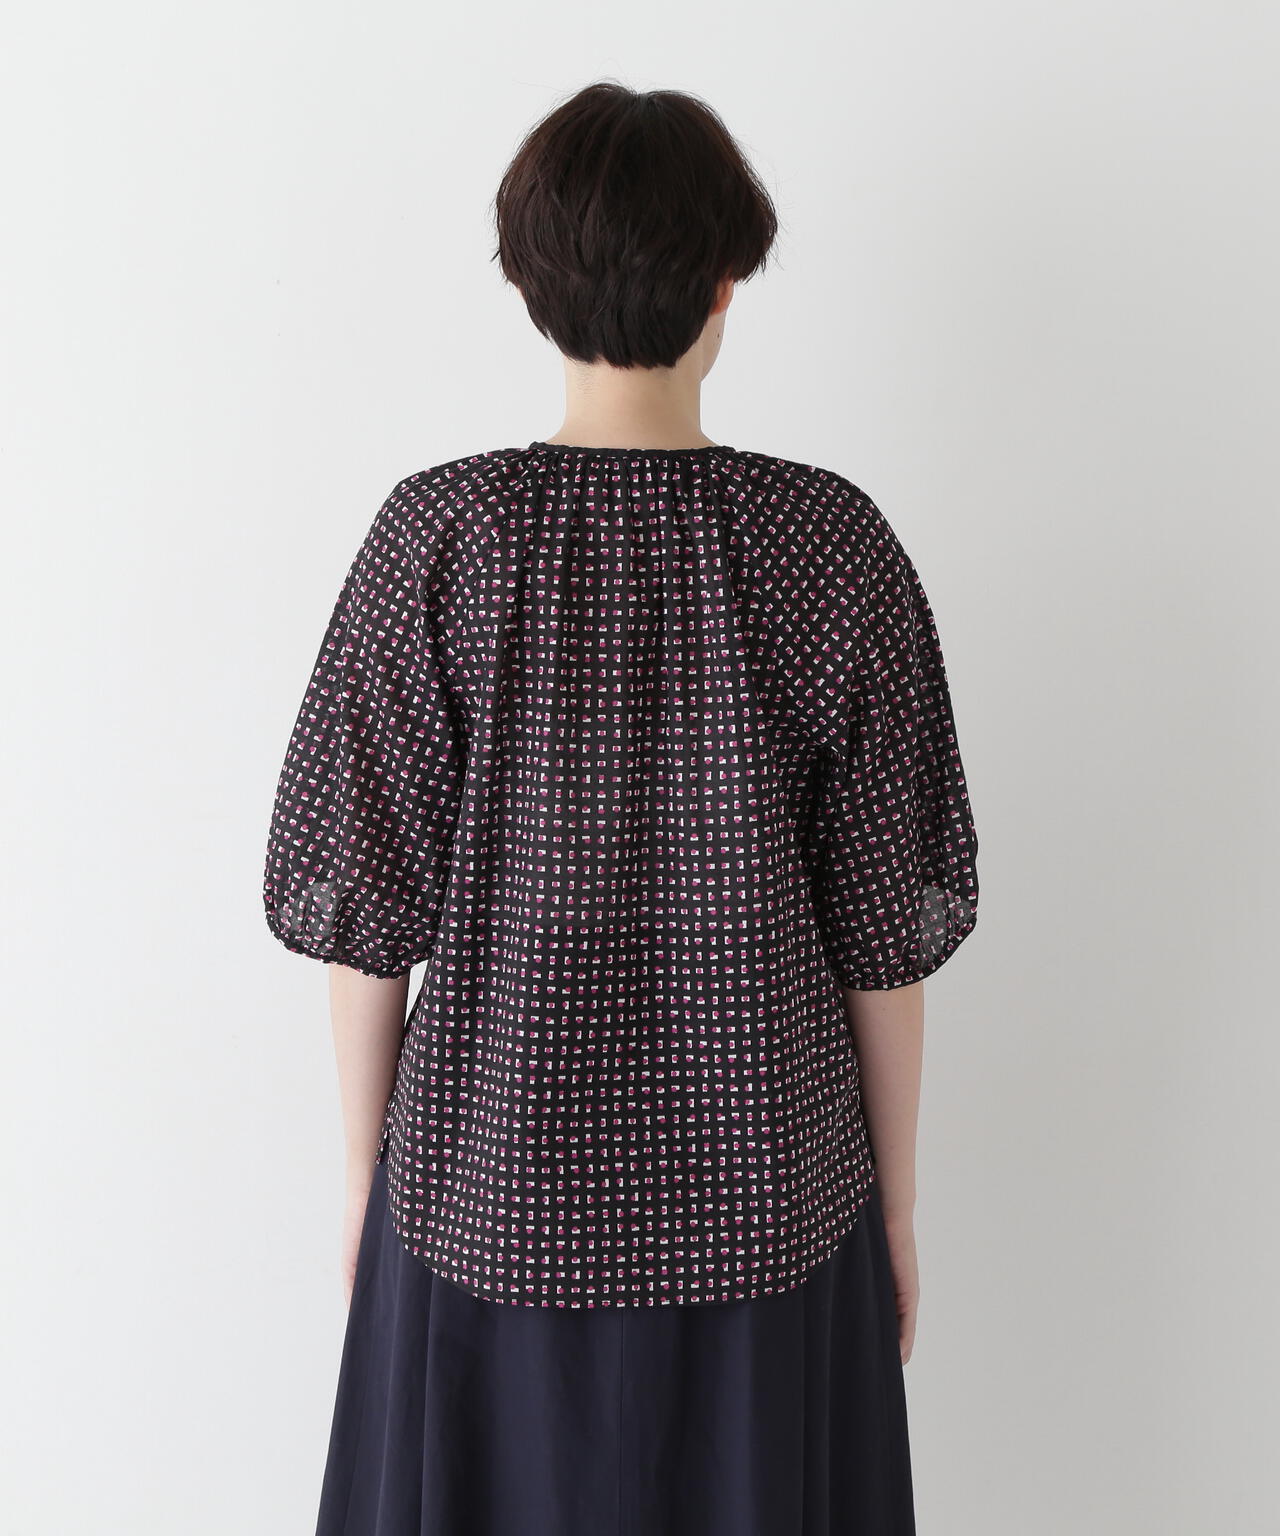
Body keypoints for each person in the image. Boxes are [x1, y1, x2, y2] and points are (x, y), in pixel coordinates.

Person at [262, 79, 980, 1536]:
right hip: (773, 1201)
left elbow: (362, 911)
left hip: (484, 1195)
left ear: (528, 285)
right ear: (726, 283)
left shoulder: (440, 534)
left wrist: (361, 1177)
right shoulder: (830, 541)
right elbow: (884, 938)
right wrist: (897, 1205)